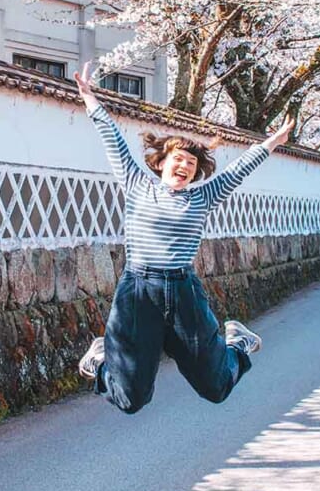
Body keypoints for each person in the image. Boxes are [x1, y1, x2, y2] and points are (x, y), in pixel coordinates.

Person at [74, 61, 294, 414]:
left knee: (216, 387)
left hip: (182, 291)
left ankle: (237, 342)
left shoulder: (202, 196)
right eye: (178, 159)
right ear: (161, 162)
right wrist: (89, 98)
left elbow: (239, 170)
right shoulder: (136, 184)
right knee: (131, 399)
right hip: (138, 289)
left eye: (192, 164)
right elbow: (113, 140)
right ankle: (100, 360)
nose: (185, 166)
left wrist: (271, 143)